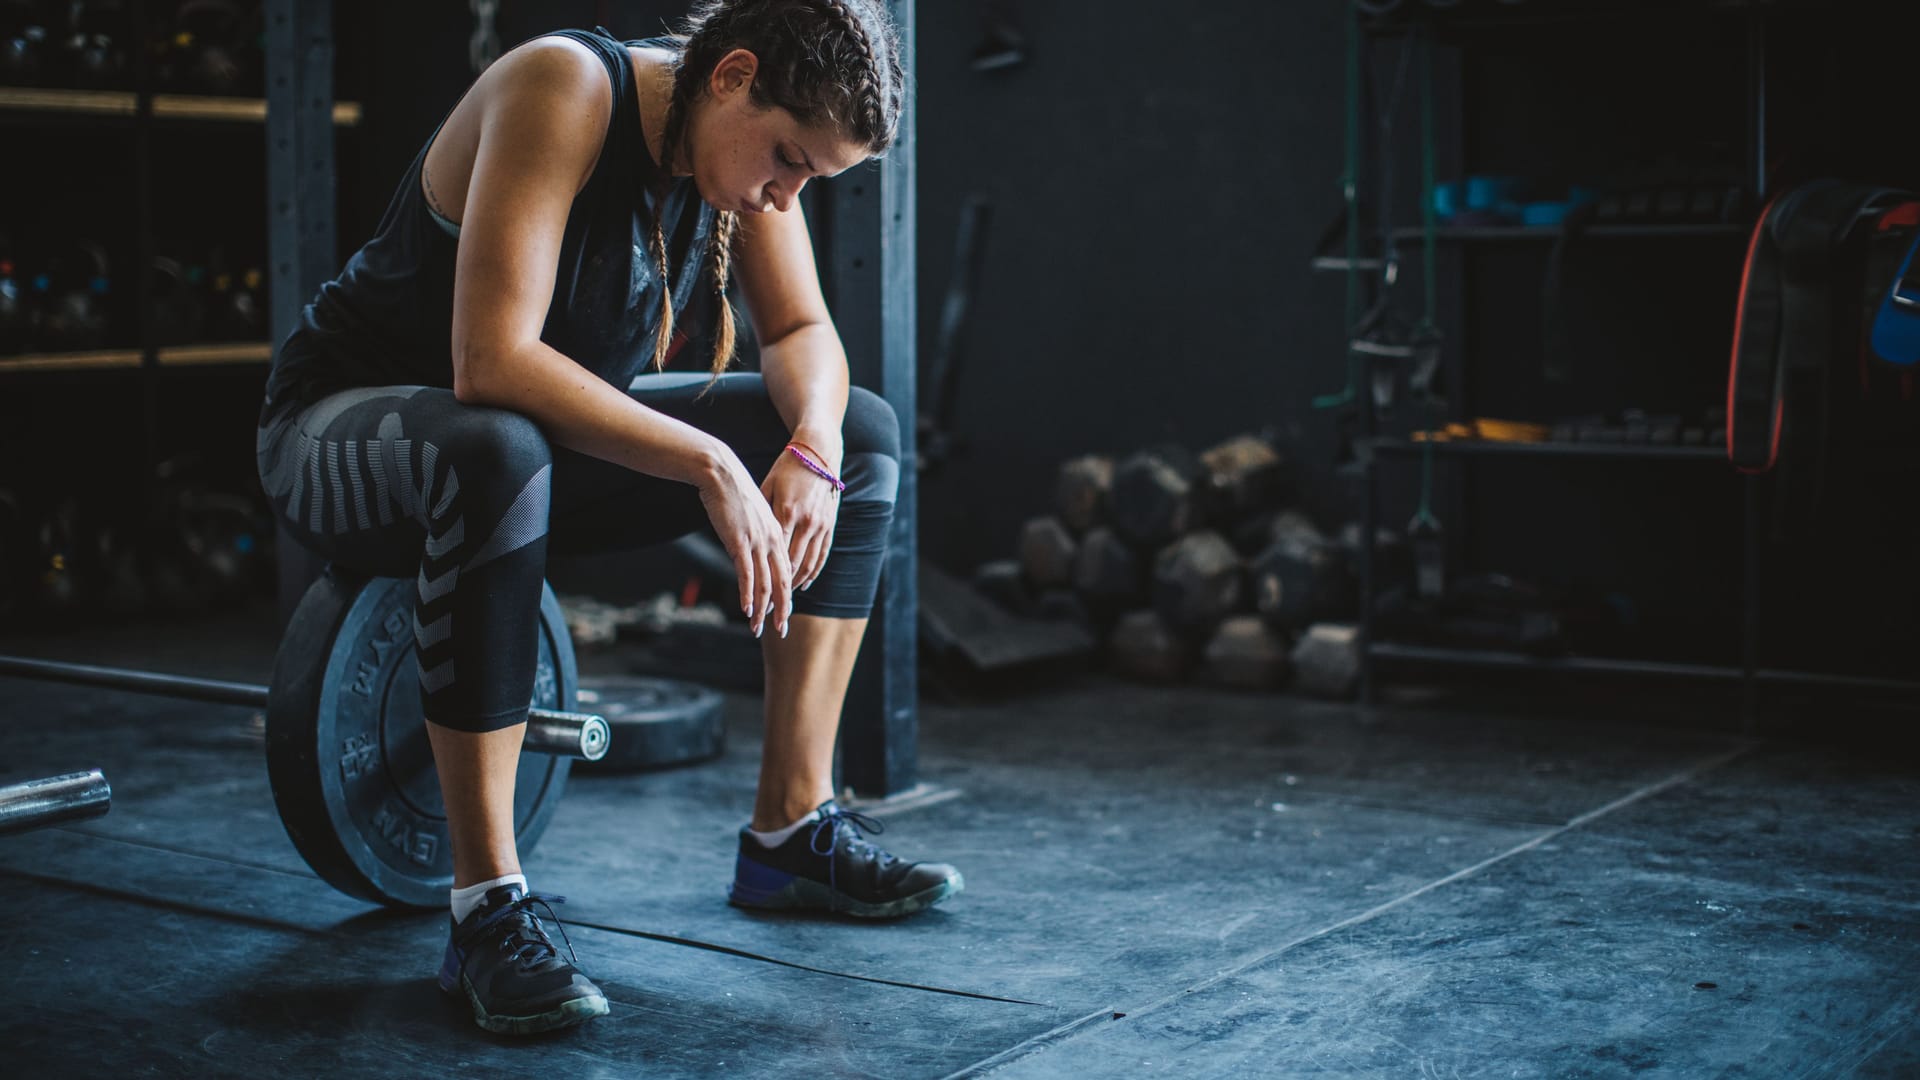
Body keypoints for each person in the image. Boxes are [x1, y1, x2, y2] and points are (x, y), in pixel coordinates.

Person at [254, 0, 960, 1036]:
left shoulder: (739, 166)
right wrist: (713, 462)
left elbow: (803, 327)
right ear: (731, 75)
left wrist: (808, 446)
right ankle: (487, 905)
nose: (787, 192)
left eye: (813, 177)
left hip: (523, 460)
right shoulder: (565, 88)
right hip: (337, 438)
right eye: (788, 160)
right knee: (495, 443)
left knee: (862, 432)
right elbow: (490, 362)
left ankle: (789, 832)